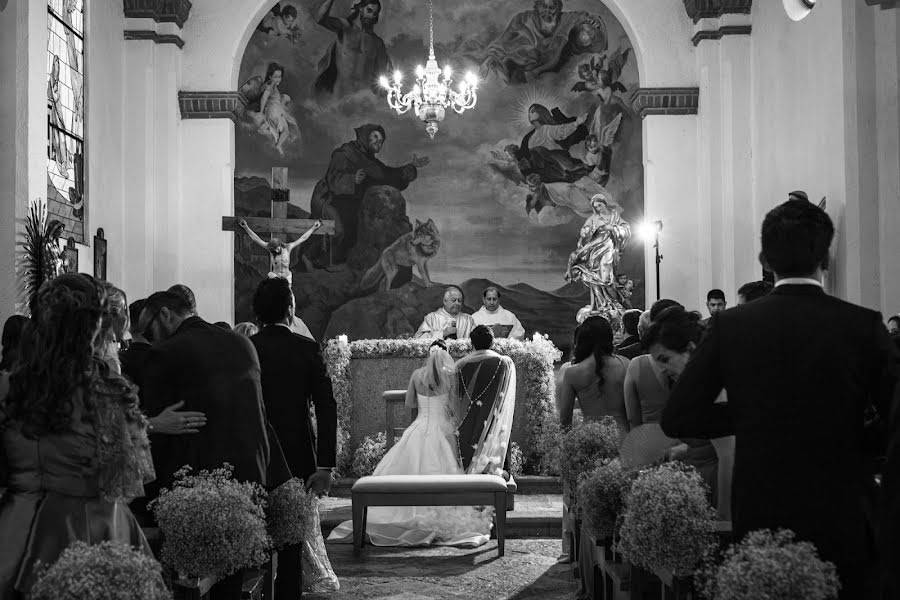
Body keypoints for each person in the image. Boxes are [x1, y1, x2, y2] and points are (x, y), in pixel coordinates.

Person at [661, 198, 898, 600]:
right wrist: (855, 439)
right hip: (843, 507)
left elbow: (679, 416)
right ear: (825, 255)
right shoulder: (861, 324)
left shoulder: (731, 326)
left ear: (763, 258)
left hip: (762, 508)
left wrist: (753, 417)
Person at [0, 274, 155, 598]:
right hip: (87, 530)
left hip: (11, 528)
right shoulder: (105, 391)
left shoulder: (8, 387)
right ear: (93, 328)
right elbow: (124, 482)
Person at [138, 291, 271, 600]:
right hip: (247, 477)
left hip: (193, 487)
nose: (150, 339)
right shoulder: (242, 344)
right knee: (231, 581)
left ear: (166, 315)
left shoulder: (166, 353)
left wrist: (151, 495)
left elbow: (160, 432)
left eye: (149, 330)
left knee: (187, 584)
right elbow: (258, 416)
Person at [327, 340, 493, 547]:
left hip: (419, 426)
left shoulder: (417, 375)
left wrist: (419, 414)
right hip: (443, 429)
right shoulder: (450, 375)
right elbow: (453, 407)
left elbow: (411, 404)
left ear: (428, 353)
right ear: (446, 354)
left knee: (406, 466)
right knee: (447, 467)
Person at [249, 277, 337, 598]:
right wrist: (325, 466)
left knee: (253, 543)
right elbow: (327, 409)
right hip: (297, 460)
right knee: (290, 553)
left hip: (254, 458)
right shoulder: (307, 349)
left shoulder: (248, 349)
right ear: (290, 309)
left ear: (257, 313)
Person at [641, 306, 731, 517]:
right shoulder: (695, 386)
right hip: (697, 483)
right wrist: (681, 450)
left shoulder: (714, 387)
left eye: (665, 359)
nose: (662, 369)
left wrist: (725, 520)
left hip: (716, 487)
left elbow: (729, 456)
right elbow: (707, 444)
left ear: (690, 349)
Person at [308, 124, 428, 265]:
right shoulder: (345, 153)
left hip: (348, 205)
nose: (379, 141)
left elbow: (388, 175)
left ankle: (331, 264)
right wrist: (352, 179)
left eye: (381, 140)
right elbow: (332, 180)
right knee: (339, 231)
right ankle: (311, 257)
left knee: (355, 233)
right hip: (327, 200)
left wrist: (411, 167)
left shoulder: (371, 162)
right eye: (375, 136)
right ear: (365, 136)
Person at [476, 0, 607, 84]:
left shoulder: (564, 20)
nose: (547, 11)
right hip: (520, 65)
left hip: (546, 67)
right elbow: (503, 42)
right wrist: (487, 61)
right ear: (537, 6)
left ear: (558, 9)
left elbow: (581, 17)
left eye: (552, 8)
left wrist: (592, 21)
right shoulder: (522, 20)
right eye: (544, 7)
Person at [454, 326, 517, 476]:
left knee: (466, 462)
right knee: (495, 464)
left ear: (472, 344)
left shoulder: (461, 365)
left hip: (468, 420)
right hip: (494, 418)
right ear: (492, 343)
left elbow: (457, 395)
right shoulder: (504, 363)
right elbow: (506, 395)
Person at [557, 316, 630, 438]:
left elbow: (564, 422)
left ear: (583, 340)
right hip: (624, 439)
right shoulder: (626, 364)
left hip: (591, 442)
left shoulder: (572, 373)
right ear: (609, 338)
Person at [564, 193, 631, 322]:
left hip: (608, 249)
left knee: (606, 278)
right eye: (596, 207)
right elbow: (585, 232)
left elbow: (626, 229)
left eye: (600, 205)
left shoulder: (614, 216)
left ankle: (614, 304)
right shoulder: (593, 218)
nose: (598, 208)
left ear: (605, 204)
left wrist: (611, 228)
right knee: (595, 279)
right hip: (593, 252)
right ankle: (601, 306)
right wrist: (585, 232)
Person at [313, 0, 392, 97]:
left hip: (364, 98)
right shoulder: (345, 27)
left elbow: (382, 75)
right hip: (340, 95)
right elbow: (321, 19)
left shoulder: (377, 43)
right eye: (369, 10)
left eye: (375, 13)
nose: (371, 16)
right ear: (360, 8)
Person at [239, 218, 321, 284]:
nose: (275, 250)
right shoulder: (271, 250)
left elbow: (303, 238)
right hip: (275, 277)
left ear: (280, 244)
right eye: (273, 249)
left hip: (287, 278)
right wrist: (246, 227)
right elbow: (257, 239)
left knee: (288, 300)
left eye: (276, 248)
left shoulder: (288, 247)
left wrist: (313, 228)